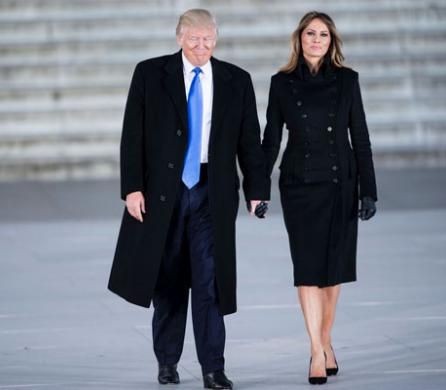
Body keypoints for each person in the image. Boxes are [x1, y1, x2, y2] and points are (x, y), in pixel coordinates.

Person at [108, 9, 269, 390]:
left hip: (213, 190)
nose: (202, 47)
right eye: (194, 39)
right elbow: (133, 134)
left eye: (208, 39)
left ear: (216, 38)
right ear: (179, 38)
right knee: (168, 280)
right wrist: (132, 188)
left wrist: (256, 190)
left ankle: (213, 368)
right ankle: (167, 362)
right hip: (164, 191)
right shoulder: (150, 74)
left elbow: (249, 140)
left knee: (210, 281)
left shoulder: (236, 80)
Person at [261, 11, 378, 385]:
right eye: (310, 33)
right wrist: (257, 188)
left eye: (323, 35)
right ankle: (316, 350)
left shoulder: (347, 81)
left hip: (340, 183)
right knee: (307, 270)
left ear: (331, 42)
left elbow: (359, 137)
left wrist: (369, 189)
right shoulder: (280, 84)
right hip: (299, 186)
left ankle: (326, 341)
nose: (316, 40)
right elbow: (271, 140)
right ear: (299, 38)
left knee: (333, 272)